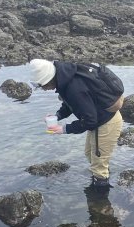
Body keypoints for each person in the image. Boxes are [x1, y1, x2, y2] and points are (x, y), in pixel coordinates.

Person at [29, 58, 124, 191]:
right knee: (90, 154)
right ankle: (103, 175)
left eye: (42, 85)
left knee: (98, 166)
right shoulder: (65, 78)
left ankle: (100, 205)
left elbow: (90, 120)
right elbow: (70, 104)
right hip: (99, 119)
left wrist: (64, 129)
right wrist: (57, 116)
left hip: (107, 122)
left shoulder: (74, 88)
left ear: (49, 79)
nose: (43, 89)